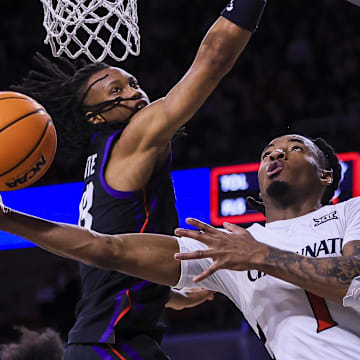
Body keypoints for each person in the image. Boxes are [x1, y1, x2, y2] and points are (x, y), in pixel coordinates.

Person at [10, 0, 267, 358]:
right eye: (115, 92)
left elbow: (112, 269)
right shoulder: (133, 137)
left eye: (132, 83)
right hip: (110, 343)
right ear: (95, 117)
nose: (134, 92)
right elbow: (213, 59)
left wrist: (169, 295)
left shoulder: (99, 166)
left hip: (107, 340)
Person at [1, 134, 360, 359]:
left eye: (294, 149)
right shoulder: (229, 244)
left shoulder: (351, 210)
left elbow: (349, 280)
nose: (276, 156)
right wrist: (7, 217)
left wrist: (261, 256)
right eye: (269, 153)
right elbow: (107, 249)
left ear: (326, 175)